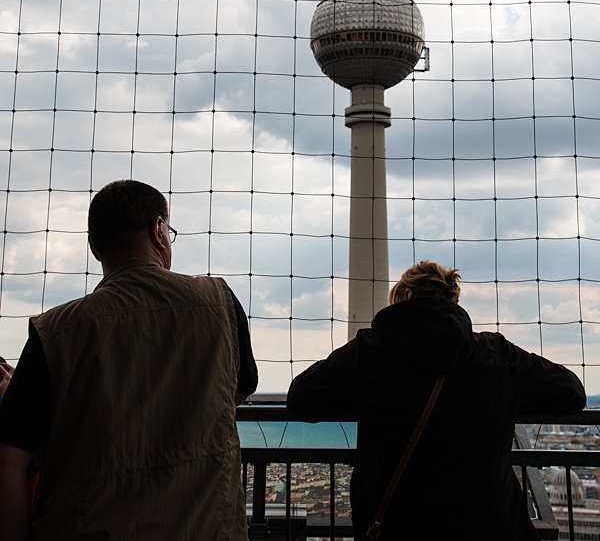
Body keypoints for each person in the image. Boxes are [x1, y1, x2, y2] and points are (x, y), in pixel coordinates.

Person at [0, 179, 257, 541]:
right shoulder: (220, 303)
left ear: (94, 247)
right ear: (159, 230)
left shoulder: (54, 331)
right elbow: (238, 389)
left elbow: (9, 460)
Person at [287, 260, 586, 541]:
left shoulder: (369, 353)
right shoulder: (496, 355)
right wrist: (506, 399)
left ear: (404, 296)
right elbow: (572, 393)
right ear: (453, 302)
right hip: (487, 524)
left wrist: (363, 398)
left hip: (397, 524)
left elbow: (300, 398)